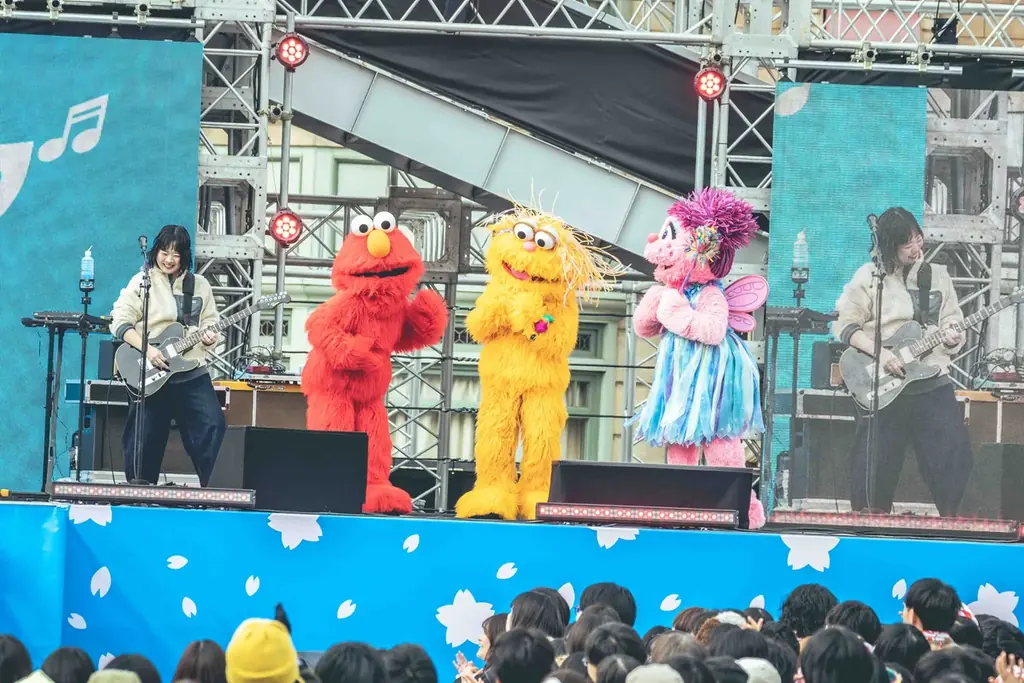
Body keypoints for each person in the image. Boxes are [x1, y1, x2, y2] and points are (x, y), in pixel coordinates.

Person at [833, 207, 973, 516]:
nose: (915, 248)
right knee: (875, 465)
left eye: (917, 239)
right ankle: (870, 523)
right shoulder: (869, 277)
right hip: (883, 386)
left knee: (953, 455)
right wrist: (881, 354)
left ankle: (954, 523)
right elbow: (845, 326)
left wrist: (953, 337)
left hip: (931, 380)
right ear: (888, 245)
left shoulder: (937, 275)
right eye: (906, 243)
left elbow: (953, 322)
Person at [110, 225, 225, 486]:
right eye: (164, 252)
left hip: (191, 371)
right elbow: (119, 322)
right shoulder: (142, 282)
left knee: (212, 425)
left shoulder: (200, 285)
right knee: (143, 437)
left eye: (176, 254)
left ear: (185, 255)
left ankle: (216, 490)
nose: (169, 259)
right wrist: (148, 350)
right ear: (155, 252)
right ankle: (140, 493)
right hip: (152, 371)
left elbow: (210, 321)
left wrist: (211, 336)